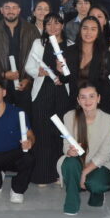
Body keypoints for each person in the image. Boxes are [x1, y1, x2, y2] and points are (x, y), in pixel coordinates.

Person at [25, 12, 70, 185]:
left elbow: (72, 71)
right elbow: (29, 66)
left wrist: (63, 73)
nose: (53, 27)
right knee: (42, 134)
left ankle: (59, 173)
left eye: (57, 23)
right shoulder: (39, 43)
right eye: (49, 24)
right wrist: (39, 72)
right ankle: (42, 175)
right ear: (44, 27)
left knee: (60, 134)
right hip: (42, 92)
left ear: (62, 25)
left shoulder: (70, 44)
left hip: (62, 93)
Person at [59, 83, 110, 216]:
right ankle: (71, 203)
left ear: (98, 98)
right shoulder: (69, 116)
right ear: (78, 100)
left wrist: (84, 173)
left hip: (99, 164)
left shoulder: (108, 120)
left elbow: (105, 154)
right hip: (77, 161)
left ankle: (97, 193)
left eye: (91, 96)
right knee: (69, 163)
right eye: (83, 97)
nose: (87, 101)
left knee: (96, 185)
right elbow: (66, 144)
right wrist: (69, 151)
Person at [0, 0, 40, 110]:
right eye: (7, 7)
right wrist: (4, 74)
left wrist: (28, 79)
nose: (11, 11)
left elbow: (38, 56)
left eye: (14, 7)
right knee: (4, 116)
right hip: (3, 84)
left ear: (19, 10)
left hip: (25, 83)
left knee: (25, 116)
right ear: (1, 10)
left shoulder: (31, 30)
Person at [62, 16, 110, 116]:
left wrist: (95, 106)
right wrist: (61, 71)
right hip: (75, 105)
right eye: (85, 28)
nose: (88, 32)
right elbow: (65, 79)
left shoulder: (105, 55)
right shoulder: (69, 52)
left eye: (93, 29)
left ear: (98, 33)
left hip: (99, 107)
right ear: (80, 30)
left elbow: (108, 87)